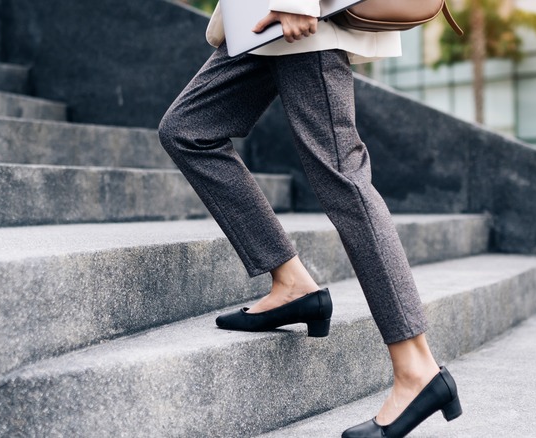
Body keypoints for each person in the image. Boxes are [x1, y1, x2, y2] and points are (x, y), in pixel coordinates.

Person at [157, 1, 462, 436]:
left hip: (301, 19)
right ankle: (292, 283)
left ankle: (418, 368)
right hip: (260, 23)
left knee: (344, 180)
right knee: (189, 129)